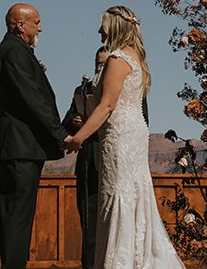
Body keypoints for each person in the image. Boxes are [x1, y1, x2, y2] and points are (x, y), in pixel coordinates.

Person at [63, 6, 182, 268]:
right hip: (134, 131)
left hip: (120, 136)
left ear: (114, 27)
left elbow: (107, 105)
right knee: (131, 192)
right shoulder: (136, 57)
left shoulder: (117, 59)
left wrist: (78, 138)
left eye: (102, 26)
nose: (99, 31)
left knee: (118, 193)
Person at [0, 3, 71, 269]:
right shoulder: (13, 52)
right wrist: (60, 134)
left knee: (15, 218)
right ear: (20, 25)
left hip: (18, 149)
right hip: (19, 149)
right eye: (36, 22)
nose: (40, 27)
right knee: (17, 219)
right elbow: (31, 97)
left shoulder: (16, 51)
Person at [63, 46, 149, 269]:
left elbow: (139, 119)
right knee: (90, 225)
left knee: (118, 221)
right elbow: (68, 120)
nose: (100, 68)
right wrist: (76, 123)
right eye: (97, 64)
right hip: (89, 163)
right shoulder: (82, 89)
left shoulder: (129, 85)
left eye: (104, 64)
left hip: (117, 159)